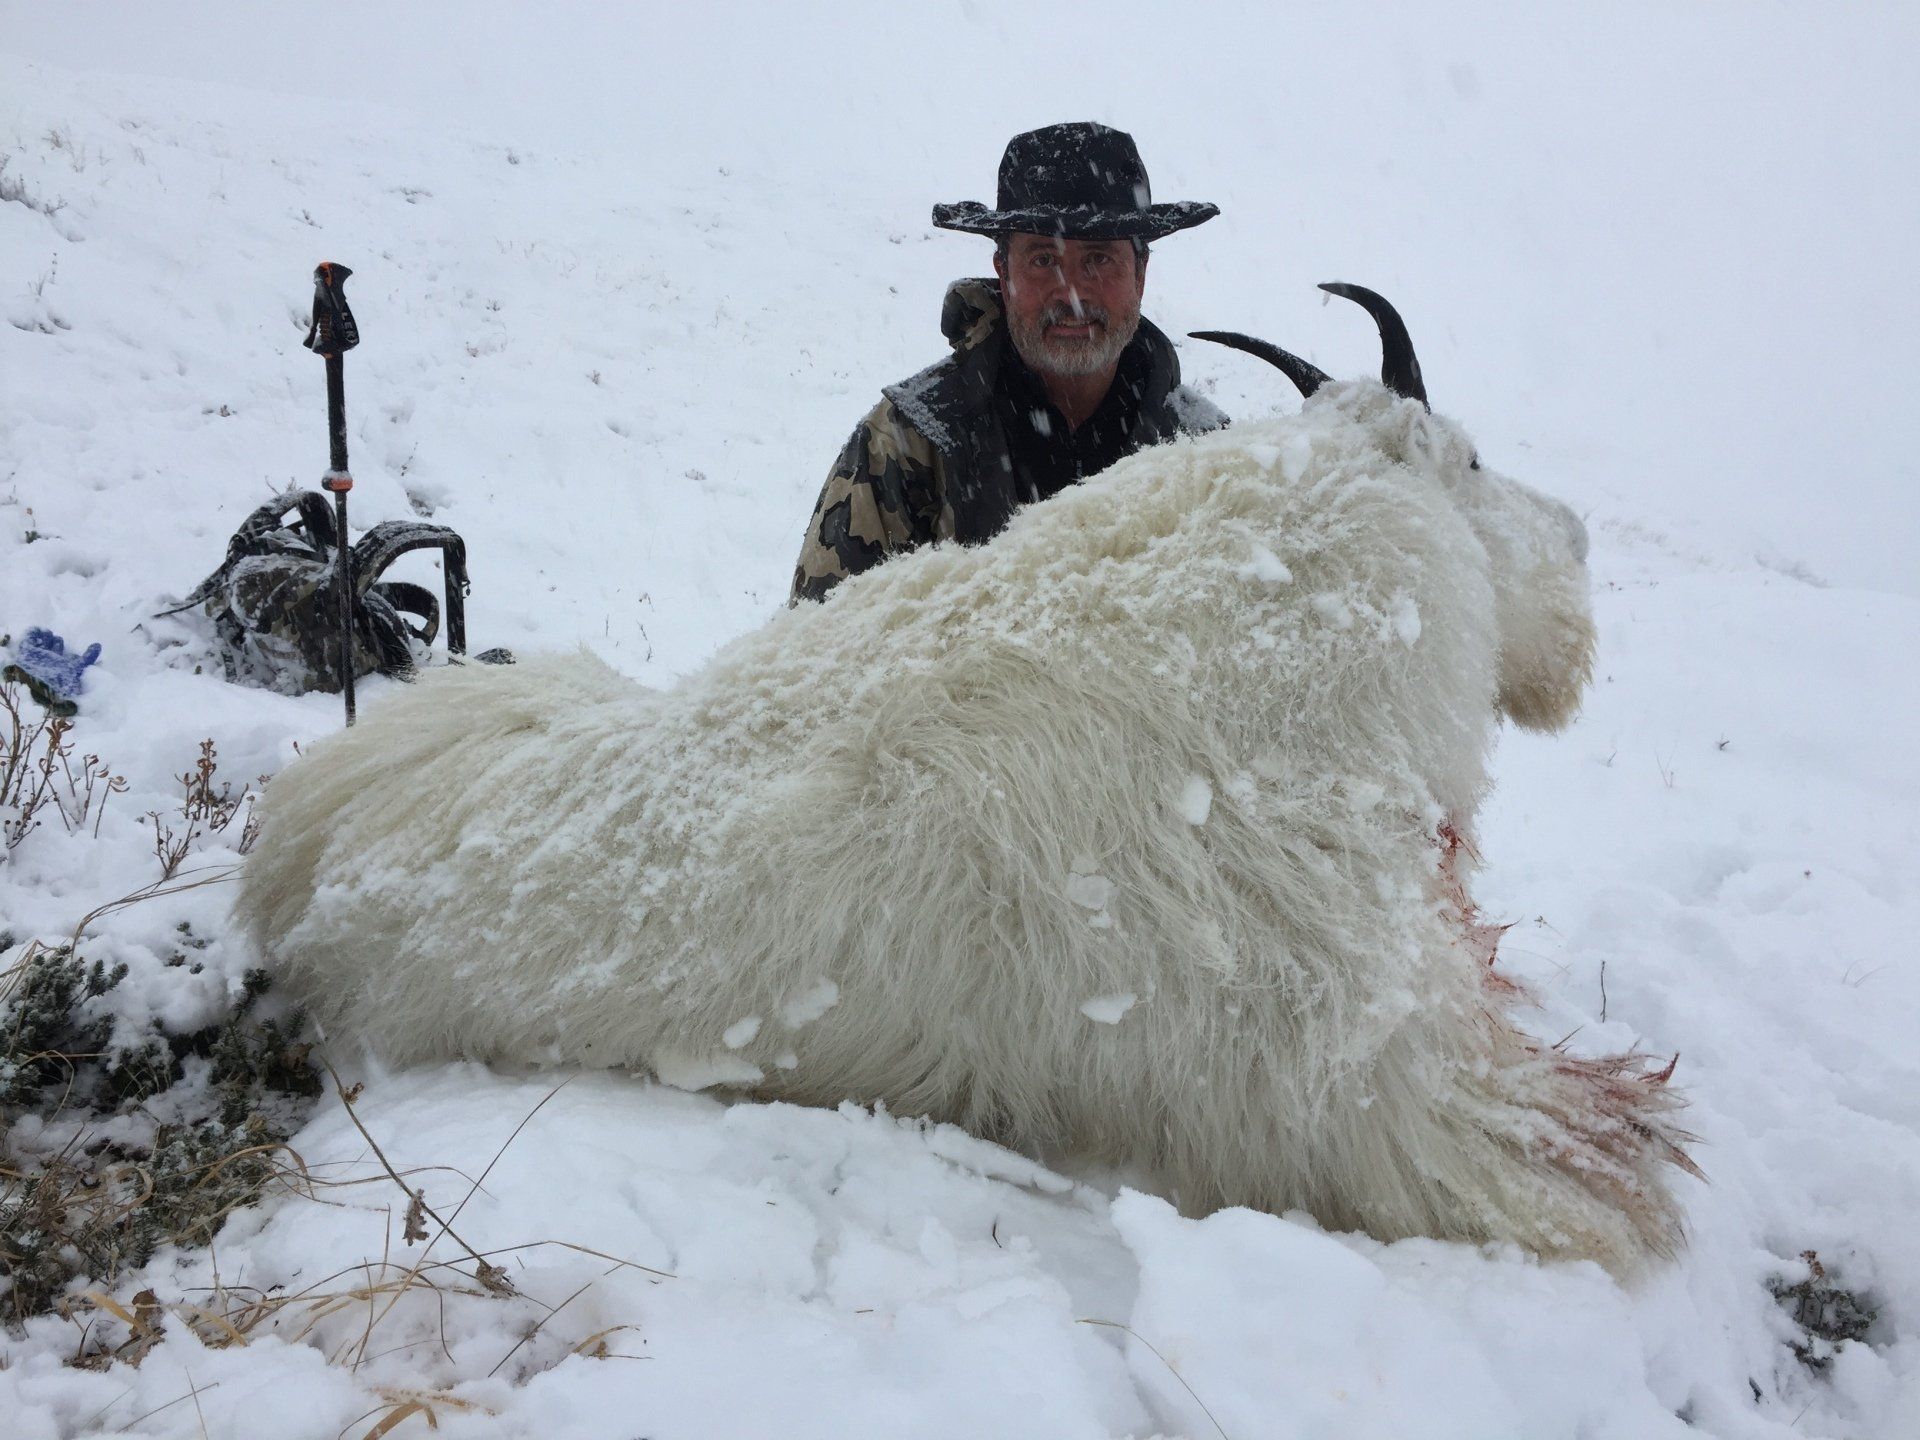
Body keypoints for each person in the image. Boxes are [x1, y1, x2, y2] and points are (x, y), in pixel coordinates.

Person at [789, 122, 1227, 605]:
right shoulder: (904, 444)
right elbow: (816, 645)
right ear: (1003, 271)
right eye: (1042, 260)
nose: (1072, 294)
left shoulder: (1215, 460)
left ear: (1140, 274)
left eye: (1100, 259)